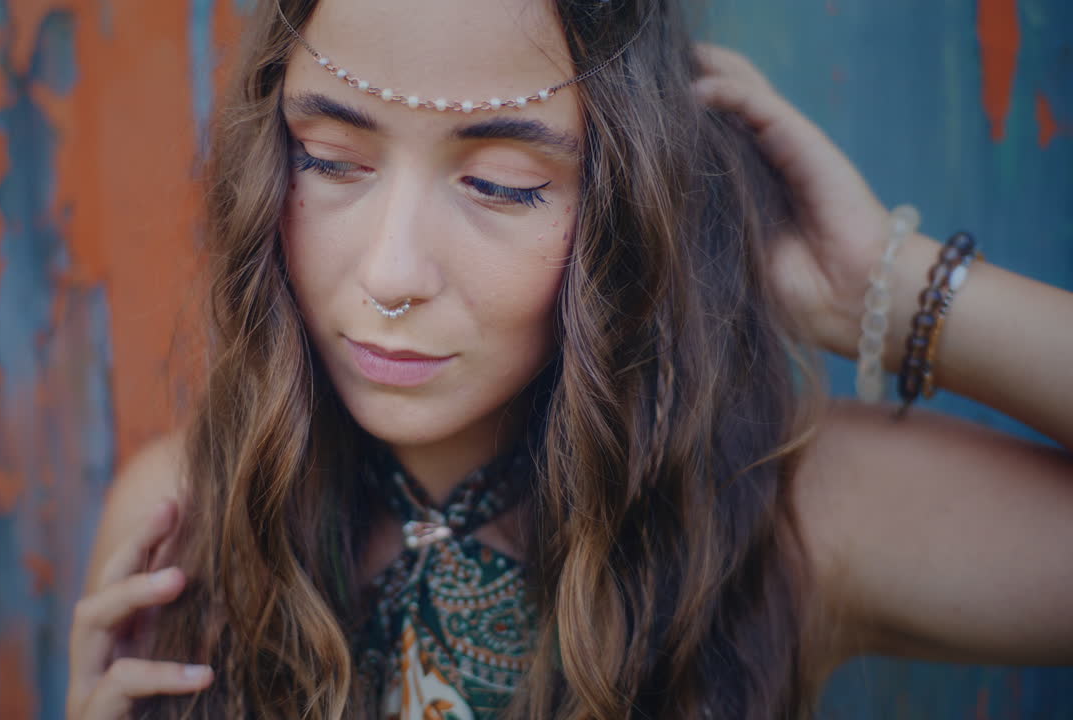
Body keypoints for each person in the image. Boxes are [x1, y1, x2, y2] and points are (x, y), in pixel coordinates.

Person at [65, 0, 1073, 717]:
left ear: (624, 207)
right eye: (330, 161)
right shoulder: (187, 522)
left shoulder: (771, 504)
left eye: (502, 184)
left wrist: (890, 293)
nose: (390, 271)